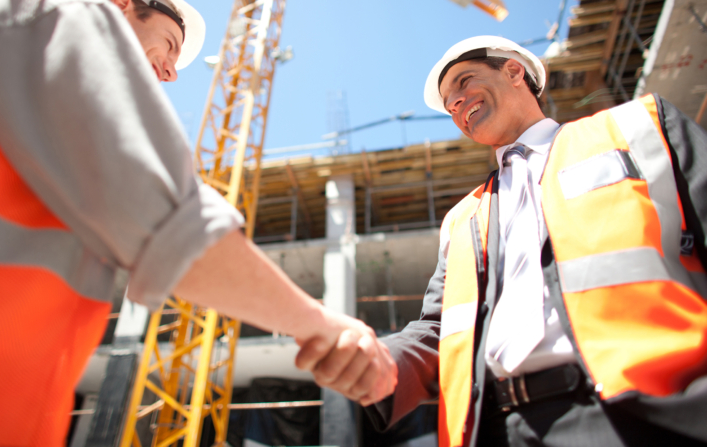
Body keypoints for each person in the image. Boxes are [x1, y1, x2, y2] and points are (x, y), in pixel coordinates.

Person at [0, 0, 389, 446]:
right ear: (120, 4)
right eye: (170, 45)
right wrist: (321, 324)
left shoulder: (24, 88)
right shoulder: (63, 7)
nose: (172, 72)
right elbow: (172, 228)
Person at [296, 36, 707, 446]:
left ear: (513, 71)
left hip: (647, 409)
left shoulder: (638, 128)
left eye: (463, 82)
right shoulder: (464, 219)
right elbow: (440, 329)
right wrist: (380, 361)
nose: (454, 104)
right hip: (497, 429)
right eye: (447, 102)